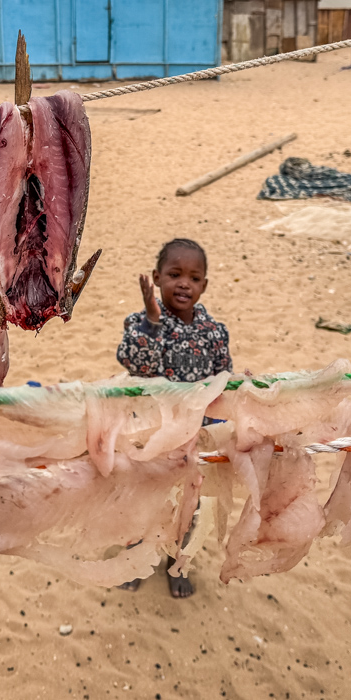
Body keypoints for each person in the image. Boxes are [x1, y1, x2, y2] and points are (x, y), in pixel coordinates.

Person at [115, 238, 231, 598]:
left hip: (194, 441)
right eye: (175, 274)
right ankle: (136, 559)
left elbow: (223, 380)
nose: (184, 284)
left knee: (188, 505)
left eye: (194, 278)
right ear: (157, 277)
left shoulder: (213, 332)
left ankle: (177, 563)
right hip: (149, 435)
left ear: (204, 285)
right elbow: (134, 363)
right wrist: (152, 322)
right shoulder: (141, 324)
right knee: (142, 500)